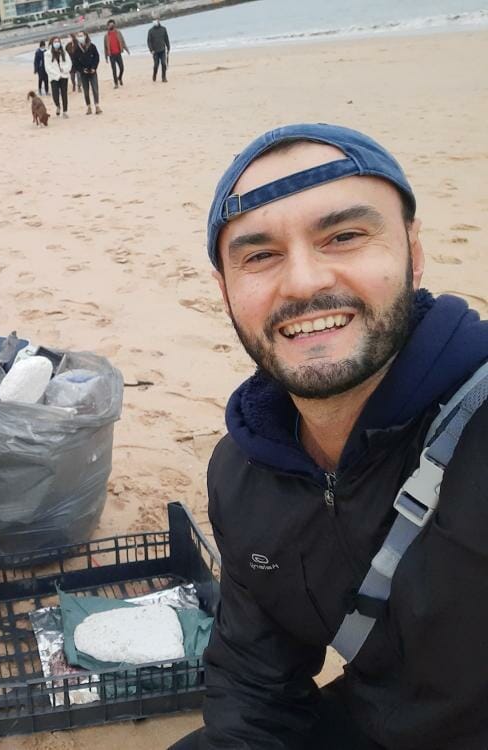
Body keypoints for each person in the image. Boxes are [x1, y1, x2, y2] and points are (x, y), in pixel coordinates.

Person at [171, 124, 488, 749]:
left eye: (344, 236)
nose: (304, 282)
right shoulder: (245, 473)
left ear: (413, 254)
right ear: (227, 293)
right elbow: (255, 685)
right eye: (260, 255)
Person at [71, 31, 102, 115]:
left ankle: (97, 105)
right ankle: (88, 106)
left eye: (81, 35)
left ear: (85, 36)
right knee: (86, 90)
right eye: (78, 36)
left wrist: (94, 68)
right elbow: (75, 62)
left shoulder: (92, 46)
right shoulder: (76, 49)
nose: (80, 37)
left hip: (92, 72)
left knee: (95, 89)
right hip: (83, 73)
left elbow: (97, 57)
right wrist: (81, 70)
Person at [45, 36, 70, 119]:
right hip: (54, 77)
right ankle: (58, 105)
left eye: (58, 41)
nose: (57, 43)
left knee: (64, 94)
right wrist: (56, 74)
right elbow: (48, 67)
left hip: (64, 75)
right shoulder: (47, 54)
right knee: (55, 94)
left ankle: (65, 111)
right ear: (52, 43)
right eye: (55, 42)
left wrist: (64, 70)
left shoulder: (64, 52)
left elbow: (69, 63)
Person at [104, 18, 129, 88]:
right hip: (111, 55)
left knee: (122, 68)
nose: (111, 26)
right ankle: (116, 83)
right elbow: (105, 47)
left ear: (114, 25)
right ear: (108, 26)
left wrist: (127, 50)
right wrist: (106, 57)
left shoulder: (118, 33)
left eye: (112, 24)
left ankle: (120, 77)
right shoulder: (106, 36)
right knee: (114, 70)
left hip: (118, 53)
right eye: (110, 25)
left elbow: (123, 41)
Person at [147, 18, 170, 82]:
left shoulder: (163, 29)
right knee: (156, 65)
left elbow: (166, 39)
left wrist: (168, 47)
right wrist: (151, 50)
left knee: (163, 64)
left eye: (156, 20)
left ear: (158, 21)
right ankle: (154, 75)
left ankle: (164, 77)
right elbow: (149, 41)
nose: (155, 22)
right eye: (153, 20)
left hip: (162, 50)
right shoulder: (150, 31)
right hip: (155, 51)